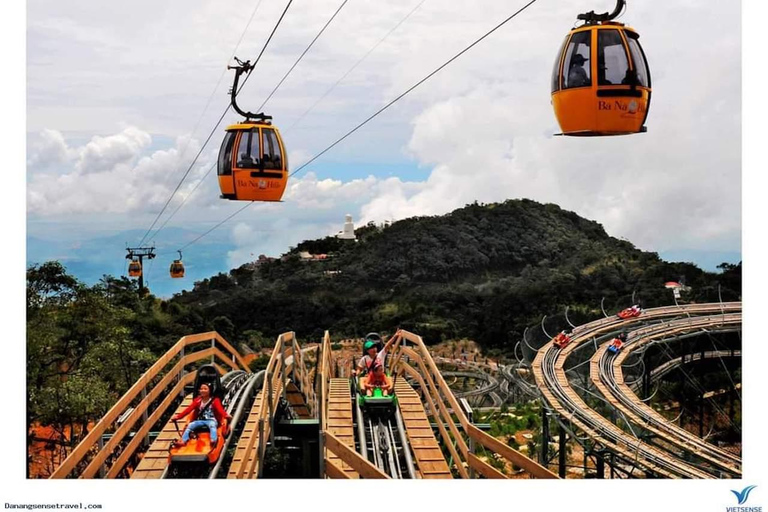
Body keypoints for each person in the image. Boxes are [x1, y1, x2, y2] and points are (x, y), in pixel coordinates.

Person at [172, 383, 231, 448]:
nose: (203, 390)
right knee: (190, 425)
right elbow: (188, 409)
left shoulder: (215, 400)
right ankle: (183, 441)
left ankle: (213, 439)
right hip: (200, 420)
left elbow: (220, 410)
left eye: (205, 389)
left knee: (212, 425)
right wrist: (178, 417)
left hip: (211, 420)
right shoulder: (198, 400)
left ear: (210, 390)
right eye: (201, 389)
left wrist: (226, 415)